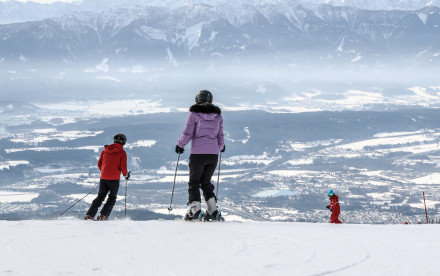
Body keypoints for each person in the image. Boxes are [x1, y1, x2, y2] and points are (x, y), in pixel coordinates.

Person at [176, 90, 225, 221]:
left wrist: (180, 145)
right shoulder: (218, 117)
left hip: (198, 155)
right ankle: (213, 211)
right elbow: (220, 136)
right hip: (213, 155)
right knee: (206, 182)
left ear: (197, 100)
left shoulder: (194, 115)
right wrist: (219, 147)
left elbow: (187, 133)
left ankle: (195, 211)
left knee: (194, 183)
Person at [84, 133, 130, 221]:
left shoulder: (105, 150)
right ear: (124, 142)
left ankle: (89, 214)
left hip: (103, 177)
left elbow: (99, 164)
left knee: (100, 196)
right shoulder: (122, 153)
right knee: (112, 197)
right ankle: (103, 215)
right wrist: (126, 175)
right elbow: (123, 167)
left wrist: (105, 172)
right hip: (114, 180)